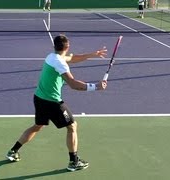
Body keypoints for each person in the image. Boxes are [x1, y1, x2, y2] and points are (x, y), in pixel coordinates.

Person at [6, 34, 108, 172]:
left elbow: (72, 58)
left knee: (38, 126)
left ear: (54, 46)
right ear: (67, 46)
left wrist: (93, 54)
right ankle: (74, 162)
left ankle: (13, 151)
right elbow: (73, 84)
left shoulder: (52, 57)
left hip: (39, 98)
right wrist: (96, 87)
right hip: (52, 102)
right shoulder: (60, 63)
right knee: (72, 126)